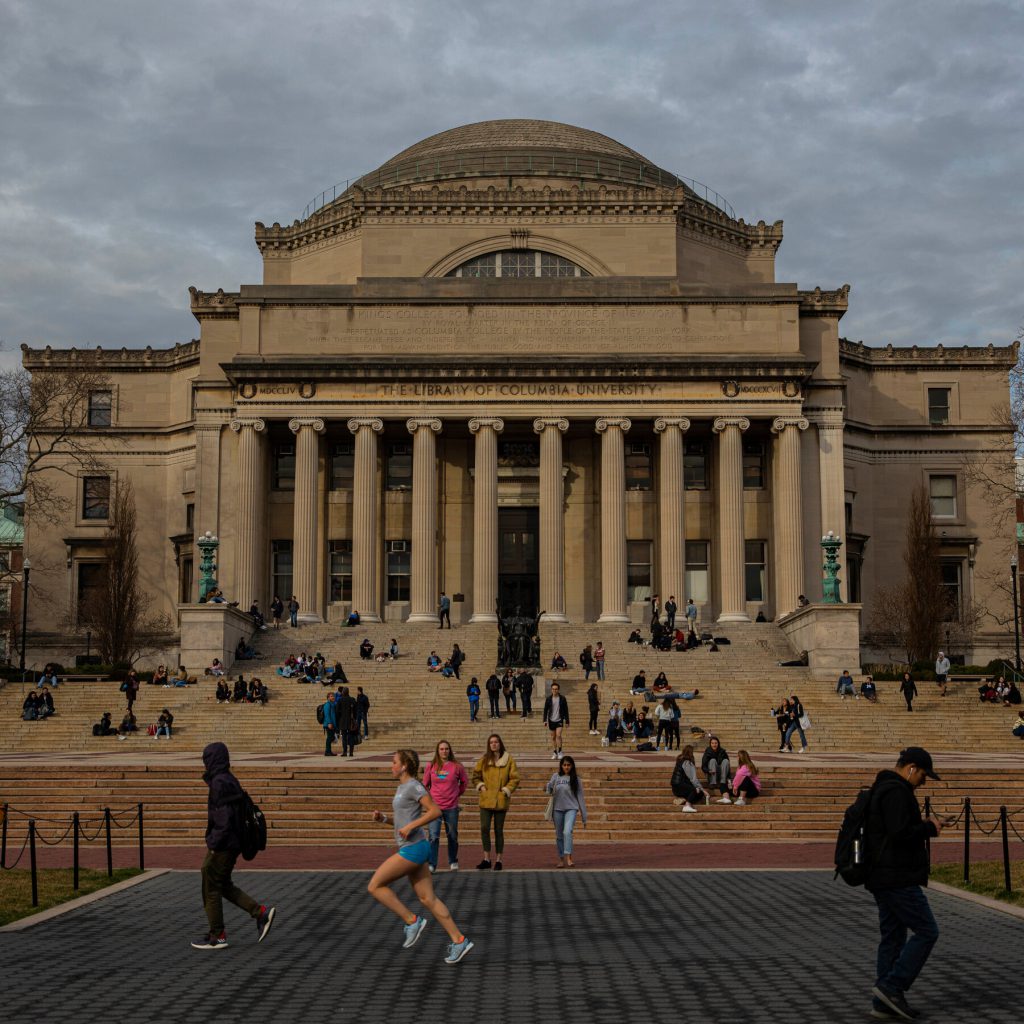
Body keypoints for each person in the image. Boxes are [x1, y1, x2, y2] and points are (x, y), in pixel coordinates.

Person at [864, 747, 947, 1021]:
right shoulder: (897, 792)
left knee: (894, 935)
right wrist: (929, 828)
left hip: (882, 875)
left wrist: (920, 823)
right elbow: (899, 833)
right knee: (927, 930)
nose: (923, 781)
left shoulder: (885, 788)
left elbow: (893, 827)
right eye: (922, 774)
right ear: (911, 768)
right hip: (896, 876)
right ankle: (891, 986)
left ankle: (884, 1002)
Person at [369, 749, 473, 963]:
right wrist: (384, 819)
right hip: (415, 846)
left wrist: (412, 826)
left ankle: (411, 920)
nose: (392, 765)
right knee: (428, 898)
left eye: (394, 762)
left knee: (375, 886)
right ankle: (459, 939)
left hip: (414, 848)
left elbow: (435, 811)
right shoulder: (402, 788)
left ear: (404, 765)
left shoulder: (414, 786)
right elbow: (403, 822)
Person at [191, 742, 276, 950]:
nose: (205, 764)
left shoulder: (220, 783)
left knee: (210, 884)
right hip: (232, 842)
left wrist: (214, 844)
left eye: (206, 759)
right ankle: (260, 913)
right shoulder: (228, 779)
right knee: (222, 884)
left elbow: (225, 819)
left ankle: (217, 935)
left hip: (224, 843)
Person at [472, 734, 519, 870]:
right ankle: (486, 858)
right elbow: (475, 776)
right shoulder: (484, 760)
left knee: (499, 830)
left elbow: (515, 778)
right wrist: (481, 786)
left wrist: (506, 790)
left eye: (496, 742)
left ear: (500, 743)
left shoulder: (508, 760)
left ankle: (499, 860)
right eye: (491, 742)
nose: (493, 744)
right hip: (486, 799)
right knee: (484, 828)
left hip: (500, 800)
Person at [423, 740, 468, 873]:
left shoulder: (457, 766)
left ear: (450, 750)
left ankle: (453, 860)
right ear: (438, 751)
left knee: (452, 835)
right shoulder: (431, 766)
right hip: (435, 807)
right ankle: (432, 863)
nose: (444, 751)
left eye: (446, 749)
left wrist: (456, 794)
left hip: (451, 806)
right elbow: (425, 784)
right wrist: (429, 800)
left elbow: (464, 782)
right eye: (442, 749)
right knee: (433, 836)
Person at [546, 754, 587, 868]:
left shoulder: (576, 779)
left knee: (567, 831)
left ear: (572, 766)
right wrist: (548, 787)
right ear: (561, 766)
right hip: (557, 809)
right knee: (559, 835)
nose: (566, 767)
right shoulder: (556, 776)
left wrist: (584, 816)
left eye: (569, 765)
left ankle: (569, 857)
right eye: (564, 765)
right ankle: (561, 859)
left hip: (571, 808)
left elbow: (580, 797)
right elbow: (549, 790)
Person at [671, 745, 709, 812]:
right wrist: (703, 790)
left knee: (698, 792)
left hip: (676, 788)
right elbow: (693, 779)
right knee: (696, 791)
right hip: (680, 786)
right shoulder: (687, 762)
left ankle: (683, 799)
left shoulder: (679, 760)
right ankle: (687, 805)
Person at [542, 680, 569, 759]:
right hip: (551, 720)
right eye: (553, 689)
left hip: (559, 719)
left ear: (558, 690)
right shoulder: (548, 699)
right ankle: (555, 752)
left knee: (558, 735)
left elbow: (566, 710)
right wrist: (544, 720)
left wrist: (567, 721)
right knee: (553, 737)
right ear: (551, 690)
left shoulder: (562, 698)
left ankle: (560, 751)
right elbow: (545, 710)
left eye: (556, 689)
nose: (554, 690)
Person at [702, 736, 732, 802]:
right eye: (712, 743)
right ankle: (713, 783)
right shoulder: (707, 752)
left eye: (716, 743)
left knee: (726, 761)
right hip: (711, 774)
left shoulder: (722, 751)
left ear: (718, 744)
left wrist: (729, 777)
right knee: (712, 760)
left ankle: (723, 782)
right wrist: (708, 771)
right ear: (710, 744)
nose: (714, 745)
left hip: (721, 774)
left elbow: (727, 766)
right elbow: (703, 766)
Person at [336, 686, 358, 757]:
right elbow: (355, 711)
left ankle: (345, 752)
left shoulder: (340, 700)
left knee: (344, 737)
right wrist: (354, 718)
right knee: (351, 737)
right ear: (348, 692)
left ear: (343, 692)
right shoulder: (352, 699)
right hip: (351, 721)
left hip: (342, 721)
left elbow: (337, 711)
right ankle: (351, 752)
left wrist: (338, 720)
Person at [322, 692, 337, 756]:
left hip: (332, 723)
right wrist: (329, 723)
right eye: (331, 696)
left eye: (333, 696)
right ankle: (327, 751)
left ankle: (329, 751)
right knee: (329, 737)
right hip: (328, 724)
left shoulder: (333, 704)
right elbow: (327, 715)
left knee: (330, 737)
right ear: (328, 698)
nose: (333, 697)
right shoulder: (327, 704)